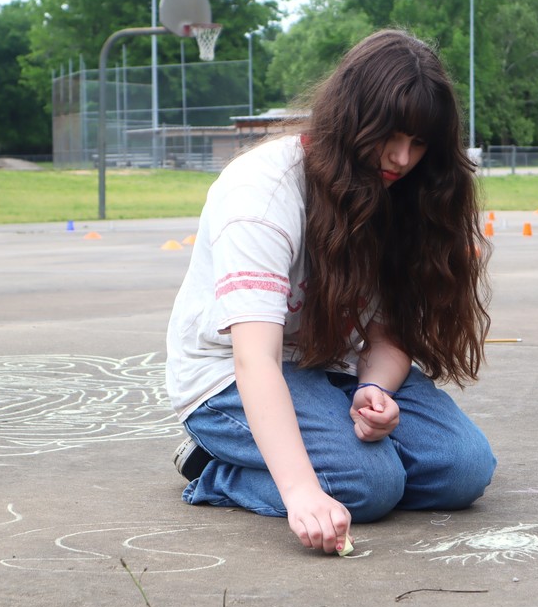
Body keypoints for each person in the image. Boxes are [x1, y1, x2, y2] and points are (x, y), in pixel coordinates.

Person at [165, 29, 496, 555]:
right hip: (230, 374)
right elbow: (256, 359)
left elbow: (390, 329)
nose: (403, 158)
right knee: (368, 487)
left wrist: (378, 389)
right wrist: (299, 492)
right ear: (350, 116)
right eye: (392, 134)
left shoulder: (401, 193)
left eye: (419, 142)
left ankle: (327, 459)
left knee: (463, 470)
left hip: (332, 371)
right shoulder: (263, 193)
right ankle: (212, 468)